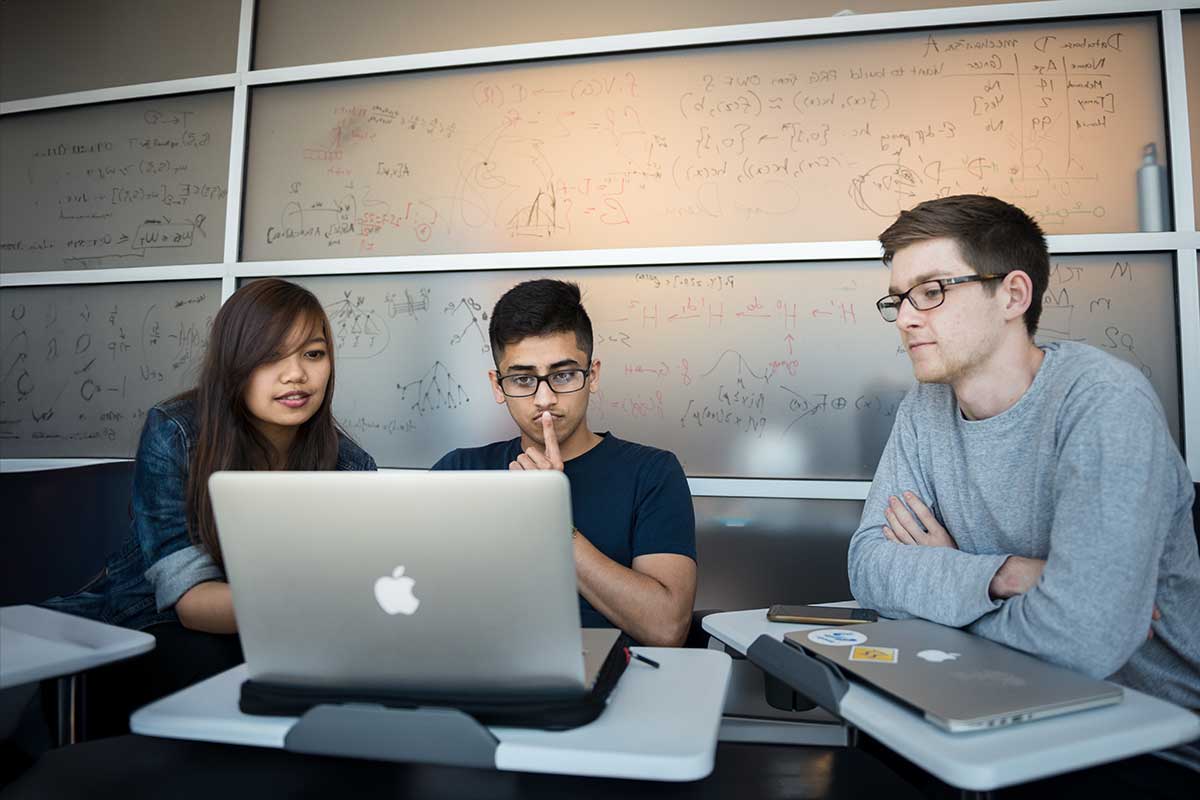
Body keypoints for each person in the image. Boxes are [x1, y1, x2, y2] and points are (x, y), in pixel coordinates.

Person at [847, 194, 1200, 710]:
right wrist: (1004, 574)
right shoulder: (925, 406)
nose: (905, 318)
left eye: (931, 292)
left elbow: (1083, 642)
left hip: (1147, 726)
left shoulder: (1103, 403)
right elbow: (869, 567)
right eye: (899, 298)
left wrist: (950, 583)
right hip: (989, 695)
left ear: (1013, 295)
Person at [45, 278, 377, 635]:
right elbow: (191, 602)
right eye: (270, 355)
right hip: (151, 622)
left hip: (284, 629)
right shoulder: (176, 433)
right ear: (233, 364)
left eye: (313, 354)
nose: (296, 374)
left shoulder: (350, 465)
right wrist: (329, 604)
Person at [431, 279, 696, 646]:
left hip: (617, 681)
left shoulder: (652, 473)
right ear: (497, 385)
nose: (544, 398)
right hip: (476, 671)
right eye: (523, 379)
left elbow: (666, 628)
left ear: (593, 376)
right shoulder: (458, 472)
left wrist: (552, 520)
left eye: (563, 375)